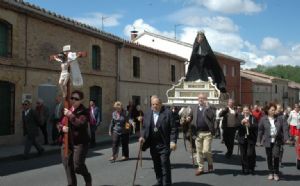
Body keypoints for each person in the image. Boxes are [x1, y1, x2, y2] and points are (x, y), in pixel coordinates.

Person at [139, 96, 178, 186]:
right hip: (153, 144)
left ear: (160, 104)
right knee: (156, 164)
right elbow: (145, 128)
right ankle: (159, 181)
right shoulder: (148, 113)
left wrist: (173, 141)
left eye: (156, 104)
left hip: (164, 143)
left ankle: (167, 183)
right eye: (153, 104)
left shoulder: (168, 113)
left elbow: (173, 128)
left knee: (164, 164)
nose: (154, 106)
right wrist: (142, 137)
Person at [60, 90, 92, 186]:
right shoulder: (67, 108)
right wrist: (62, 128)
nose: (73, 100)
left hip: (80, 142)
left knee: (77, 166)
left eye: (76, 99)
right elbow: (59, 122)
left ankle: (87, 176)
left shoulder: (85, 111)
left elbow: (81, 124)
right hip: (66, 141)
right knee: (67, 165)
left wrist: (70, 115)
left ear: (81, 100)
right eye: (72, 98)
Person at [258, 102, 289, 181]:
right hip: (267, 140)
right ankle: (270, 172)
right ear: (268, 110)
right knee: (269, 157)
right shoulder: (263, 119)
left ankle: (276, 173)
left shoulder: (279, 118)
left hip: (276, 140)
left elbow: (285, 129)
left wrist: (286, 138)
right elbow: (260, 130)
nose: (274, 111)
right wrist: (258, 140)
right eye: (272, 110)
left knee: (276, 156)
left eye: (274, 110)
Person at [186, 93, 215, 176]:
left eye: (203, 98)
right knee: (198, 151)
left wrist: (208, 107)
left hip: (207, 133)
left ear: (206, 99)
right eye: (199, 98)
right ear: (197, 99)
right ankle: (200, 168)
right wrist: (188, 118)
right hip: (197, 133)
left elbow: (212, 116)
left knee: (206, 151)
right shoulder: (194, 108)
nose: (201, 100)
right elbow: (191, 116)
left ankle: (210, 163)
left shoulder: (210, 107)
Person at [237, 105, 258, 174]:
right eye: (244, 110)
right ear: (243, 111)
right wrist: (241, 122)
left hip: (251, 138)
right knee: (243, 154)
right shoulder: (240, 117)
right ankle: (245, 168)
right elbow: (236, 125)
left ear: (249, 111)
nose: (246, 111)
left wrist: (249, 125)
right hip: (242, 138)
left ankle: (251, 167)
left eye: (247, 110)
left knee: (250, 154)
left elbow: (256, 126)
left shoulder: (253, 118)